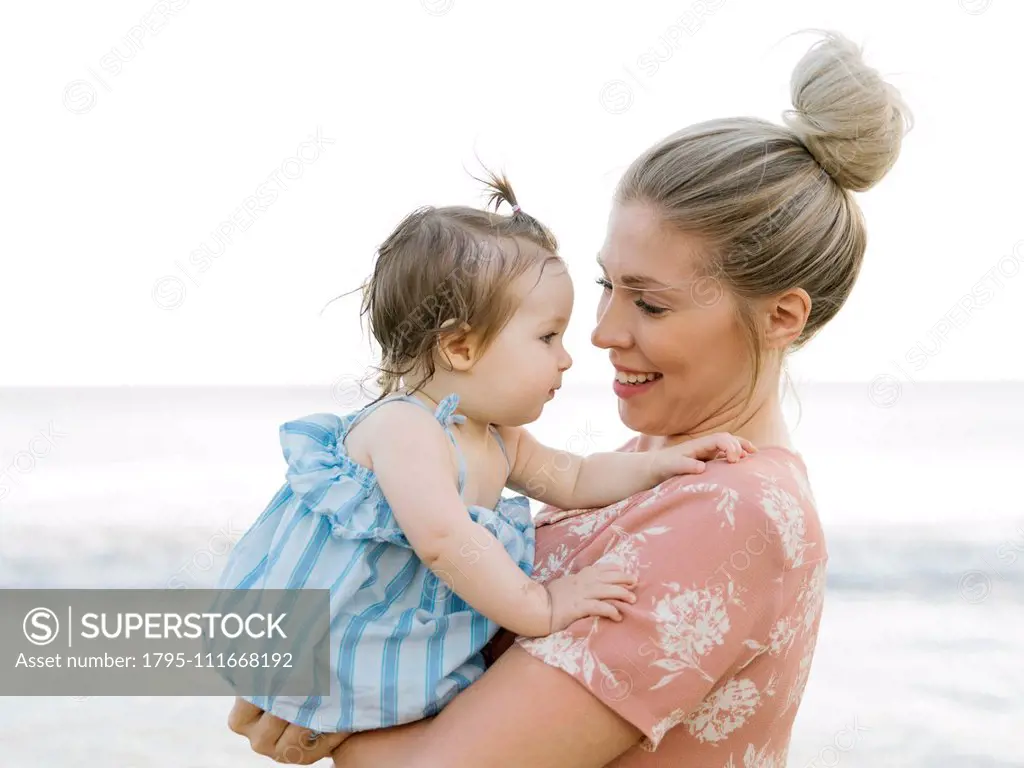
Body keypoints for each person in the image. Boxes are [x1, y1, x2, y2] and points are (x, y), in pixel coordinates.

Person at [228, 29, 911, 767]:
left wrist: (335, 730)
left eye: (650, 304)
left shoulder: (732, 513)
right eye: (606, 286)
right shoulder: (645, 470)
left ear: (782, 316)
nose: (603, 331)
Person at [215, 176, 754, 741]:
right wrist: (541, 607)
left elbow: (575, 476)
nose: (568, 358)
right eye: (547, 337)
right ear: (461, 347)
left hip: (396, 628)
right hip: (336, 628)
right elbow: (444, 540)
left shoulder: (496, 437)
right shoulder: (407, 429)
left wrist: (662, 464)